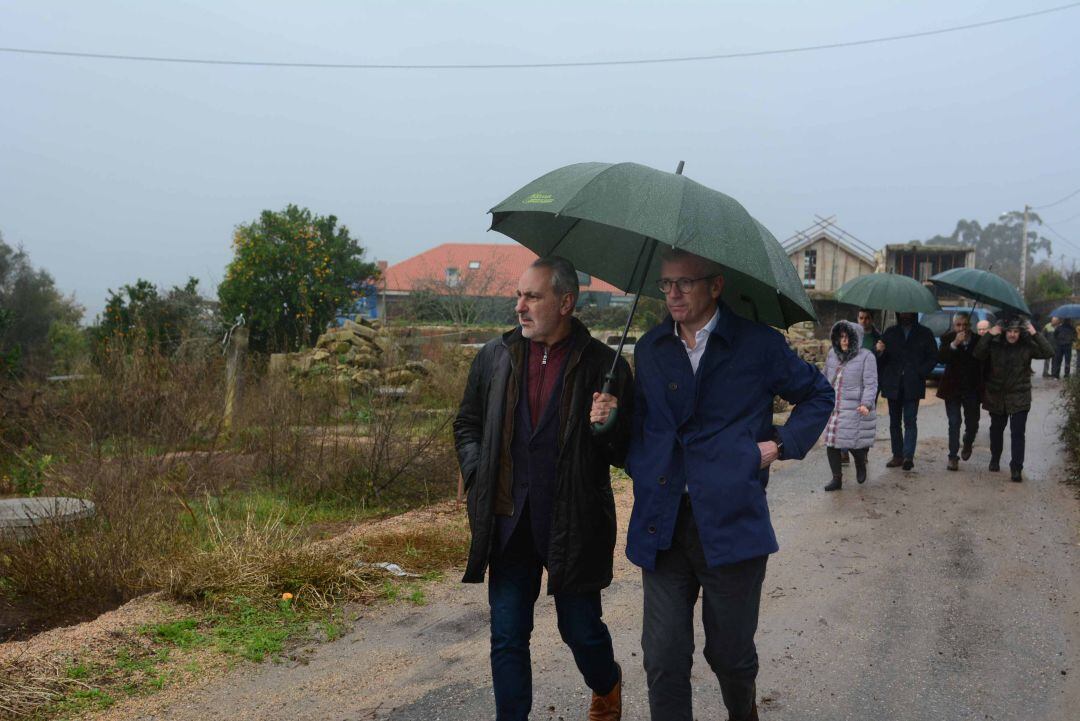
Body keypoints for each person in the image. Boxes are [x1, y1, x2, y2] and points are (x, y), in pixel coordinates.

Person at [598, 248, 832, 721]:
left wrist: (778, 445)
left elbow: (818, 393)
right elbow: (642, 432)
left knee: (730, 657)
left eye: (684, 283)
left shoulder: (757, 345)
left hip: (732, 523)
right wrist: (609, 421)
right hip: (662, 525)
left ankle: (742, 712)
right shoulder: (650, 348)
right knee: (662, 658)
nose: (673, 294)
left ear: (716, 286)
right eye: (665, 284)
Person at [454, 256, 633, 721]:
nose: (520, 306)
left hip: (572, 523)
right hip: (508, 520)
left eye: (533, 296)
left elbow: (626, 451)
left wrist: (609, 424)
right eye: (520, 295)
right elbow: (468, 423)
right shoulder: (495, 357)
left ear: (567, 302)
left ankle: (607, 682)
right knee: (508, 634)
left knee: (580, 630)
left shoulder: (604, 368)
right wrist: (478, 474)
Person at [972, 318, 1054, 482]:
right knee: (996, 430)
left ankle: (1016, 468)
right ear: (1004, 331)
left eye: (1016, 331)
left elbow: (1048, 352)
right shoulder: (995, 343)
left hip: (1019, 395)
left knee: (1017, 433)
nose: (1012, 335)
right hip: (997, 395)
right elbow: (978, 353)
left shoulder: (1027, 346)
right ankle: (995, 458)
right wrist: (989, 334)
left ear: (1020, 333)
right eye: (1009, 331)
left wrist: (1035, 333)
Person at [876, 312, 938, 470]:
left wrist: (920, 372)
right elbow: (880, 361)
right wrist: (879, 350)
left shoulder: (925, 333)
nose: (905, 314)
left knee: (910, 420)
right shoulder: (890, 333)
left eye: (909, 311)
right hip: (892, 384)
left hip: (912, 384)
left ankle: (908, 456)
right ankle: (897, 455)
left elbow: (932, 357)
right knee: (894, 422)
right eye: (902, 311)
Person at [821, 320, 878, 491]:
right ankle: (836, 479)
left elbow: (871, 384)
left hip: (854, 408)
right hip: (834, 407)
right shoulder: (832, 354)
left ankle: (860, 462)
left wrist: (866, 404)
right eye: (841, 337)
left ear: (856, 339)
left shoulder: (867, 357)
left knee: (851, 442)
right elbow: (824, 376)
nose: (844, 341)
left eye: (848, 337)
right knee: (831, 442)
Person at [937, 312, 983, 471]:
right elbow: (941, 358)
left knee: (972, 423)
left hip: (972, 388)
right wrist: (954, 344)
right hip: (952, 388)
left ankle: (968, 442)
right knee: (954, 422)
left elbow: (984, 362)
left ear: (970, 325)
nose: (962, 328)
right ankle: (952, 456)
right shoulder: (947, 338)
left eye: (965, 324)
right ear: (954, 325)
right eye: (958, 325)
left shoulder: (978, 341)